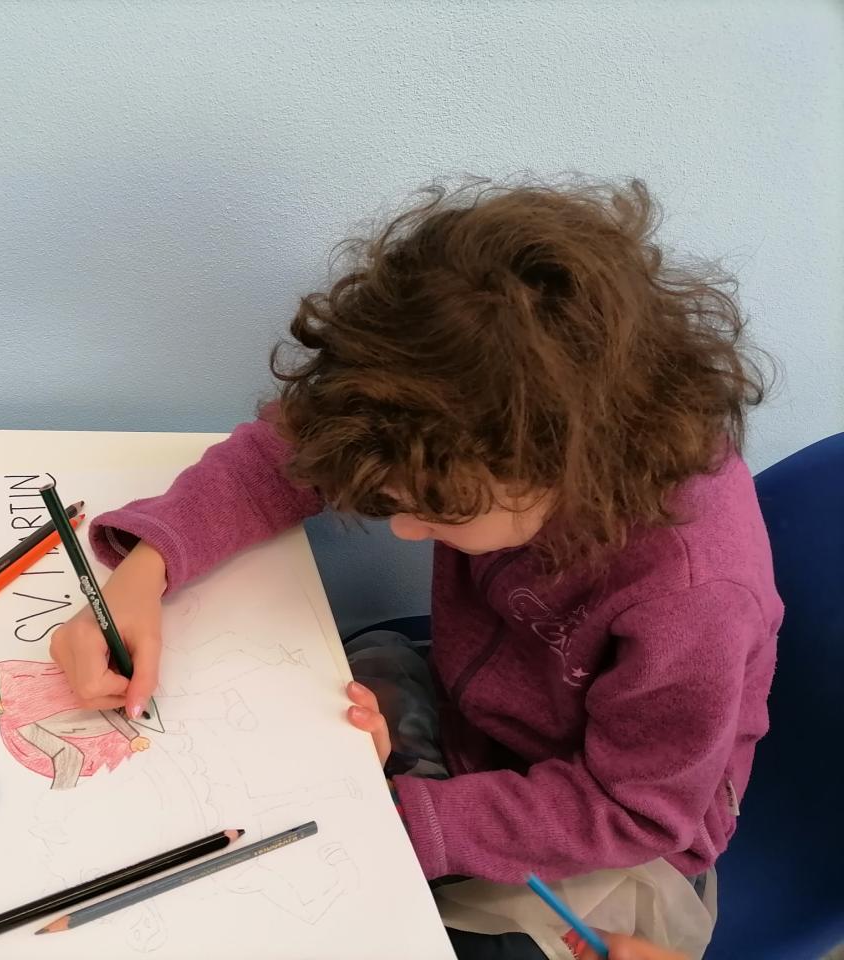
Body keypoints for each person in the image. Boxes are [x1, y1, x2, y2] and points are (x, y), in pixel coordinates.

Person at [50, 178, 779, 956]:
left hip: (603, 841)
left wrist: (403, 815)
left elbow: (635, 810)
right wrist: (146, 569)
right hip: (470, 716)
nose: (403, 529)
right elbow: (292, 451)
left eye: (434, 511)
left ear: (558, 472)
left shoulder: (692, 598)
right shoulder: (477, 418)